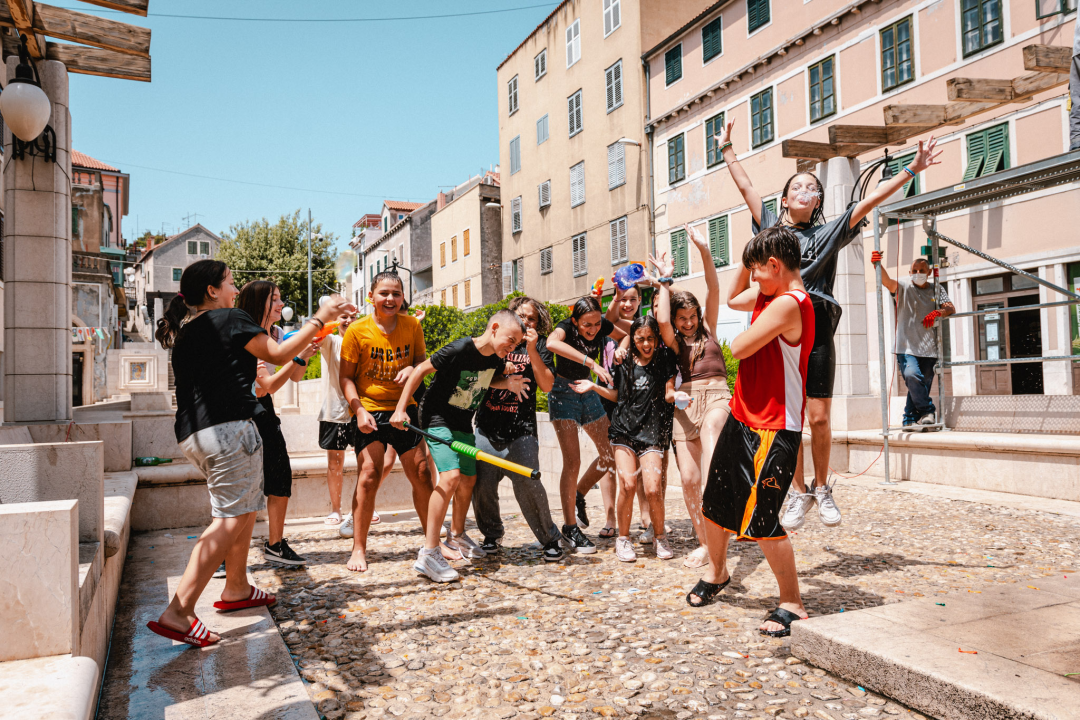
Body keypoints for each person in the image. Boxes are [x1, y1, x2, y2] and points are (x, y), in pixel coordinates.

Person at [714, 118, 942, 530]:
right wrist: (727, 149)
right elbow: (747, 188)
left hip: (817, 326)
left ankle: (822, 487)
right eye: (797, 186)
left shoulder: (828, 232)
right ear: (783, 200)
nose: (806, 189)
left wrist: (913, 169)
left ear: (817, 200)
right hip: (780, 330)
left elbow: (868, 202)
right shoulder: (770, 231)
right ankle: (798, 491)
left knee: (819, 417)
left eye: (812, 187)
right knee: (791, 417)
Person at [148, 259, 353, 647]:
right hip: (228, 431)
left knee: (240, 512)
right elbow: (276, 354)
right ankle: (179, 610)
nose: (234, 288)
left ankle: (237, 587)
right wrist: (319, 317)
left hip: (195, 434)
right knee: (229, 519)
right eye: (228, 282)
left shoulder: (188, 331)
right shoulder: (229, 318)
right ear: (212, 290)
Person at [685, 227, 814, 638]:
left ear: (775, 266)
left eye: (757, 270)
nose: (752, 278)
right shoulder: (770, 295)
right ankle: (718, 572)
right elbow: (731, 298)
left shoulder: (790, 303)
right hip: (744, 417)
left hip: (774, 428)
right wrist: (749, 256)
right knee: (716, 502)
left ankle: (792, 601)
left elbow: (738, 347)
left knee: (762, 519)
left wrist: (758, 267)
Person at [392, 310, 525, 582]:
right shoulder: (461, 347)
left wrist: (507, 383)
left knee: (468, 479)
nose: (511, 349)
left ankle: (457, 535)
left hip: (463, 421)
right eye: (510, 341)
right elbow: (420, 370)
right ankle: (429, 553)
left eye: (515, 346)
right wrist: (400, 409)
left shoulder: (497, 359)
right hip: (435, 417)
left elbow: (483, 381)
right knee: (451, 476)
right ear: (495, 328)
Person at [338, 272, 437, 573]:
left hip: (403, 408)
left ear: (403, 297)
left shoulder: (413, 326)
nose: (390, 299)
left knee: (421, 473)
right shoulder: (357, 331)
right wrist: (358, 411)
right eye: (384, 293)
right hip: (368, 409)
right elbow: (345, 377)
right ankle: (358, 547)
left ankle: (432, 544)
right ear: (371, 296)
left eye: (396, 293)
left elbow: (422, 363)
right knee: (368, 474)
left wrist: (412, 369)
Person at [651, 223, 732, 569]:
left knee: (714, 438)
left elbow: (713, 286)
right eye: (682, 318)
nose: (686, 323)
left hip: (716, 396)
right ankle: (706, 543)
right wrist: (665, 282)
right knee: (688, 479)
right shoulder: (672, 340)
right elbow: (663, 318)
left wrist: (703, 250)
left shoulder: (709, 328)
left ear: (699, 315)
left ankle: (727, 494)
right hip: (684, 404)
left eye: (691, 316)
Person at [571, 314, 681, 562]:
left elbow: (669, 386)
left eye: (650, 339)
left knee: (653, 489)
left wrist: (674, 395)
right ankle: (623, 538)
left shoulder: (664, 359)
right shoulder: (623, 363)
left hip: (651, 433)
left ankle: (660, 536)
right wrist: (595, 387)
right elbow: (617, 395)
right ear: (633, 340)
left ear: (657, 339)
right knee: (628, 485)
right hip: (623, 432)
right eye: (640, 339)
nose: (646, 344)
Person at [471, 297, 567, 562]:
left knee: (528, 482)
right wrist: (503, 381)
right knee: (483, 484)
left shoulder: (541, 347)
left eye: (531, 318)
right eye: (520, 315)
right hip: (487, 427)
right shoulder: (495, 341)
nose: (525, 321)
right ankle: (491, 534)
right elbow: (475, 378)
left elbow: (547, 385)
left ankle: (549, 538)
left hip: (521, 429)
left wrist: (533, 349)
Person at [235, 280, 319, 567]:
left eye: (281, 299)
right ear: (259, 303)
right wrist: (294, 357)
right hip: (243, 413)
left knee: (280, 475)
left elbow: (293, 377)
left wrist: (304, 356)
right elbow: (265, 386)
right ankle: (227, 553)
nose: (281, 304)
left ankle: (275, 544)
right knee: (243, 485)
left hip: (266, 412)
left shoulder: (277, 333)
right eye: (275, 299)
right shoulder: (247, 335)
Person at [545, 296, 621, 554]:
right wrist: (591, 363)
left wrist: (622, 347)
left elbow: (628, 331)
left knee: (610, 454)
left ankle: (579, 493)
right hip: (562, 391)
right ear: (575, 321)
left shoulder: (602, 326)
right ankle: (569, 528)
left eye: (597, 324)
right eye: (587, 325)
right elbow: (551, 342)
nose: (593, 329)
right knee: (573, 461)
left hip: (588, 391)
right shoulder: (565, 326)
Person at [578, 284, 640, 539]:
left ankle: (646, 517)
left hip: (635, 399)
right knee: (610, 457)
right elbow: (612, 320)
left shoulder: (644, 325)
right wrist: (612, 299)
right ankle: (610, 517)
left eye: (632, 299)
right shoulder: (606, 323)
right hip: (607, 396)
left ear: (639, 301)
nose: (627, 303)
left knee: (635, 458)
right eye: (623, 299)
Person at [874, 253, 954, 430]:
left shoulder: (936, 289)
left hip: (928, 348)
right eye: (915, 271)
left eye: (922, 270)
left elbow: (950, 307)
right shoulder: (903, 287)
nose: (918, 273)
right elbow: (886, 281)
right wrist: (877, 264)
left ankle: (909, 419)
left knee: (918, 385)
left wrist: (938, 312)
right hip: (906, 347)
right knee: (912, 376)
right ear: (909, 272)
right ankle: (928, 411)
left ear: (930, 272)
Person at [316, 311, 355, 526]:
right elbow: (317, 332)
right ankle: (336, 509)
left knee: (368, 462)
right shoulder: (332, 341)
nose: (348, 321)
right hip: (334, 410)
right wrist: (333, 317)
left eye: (352, 317)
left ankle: (368, 505)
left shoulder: (364, 340)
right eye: (344, 317)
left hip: (362, 410)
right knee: (334, 463)